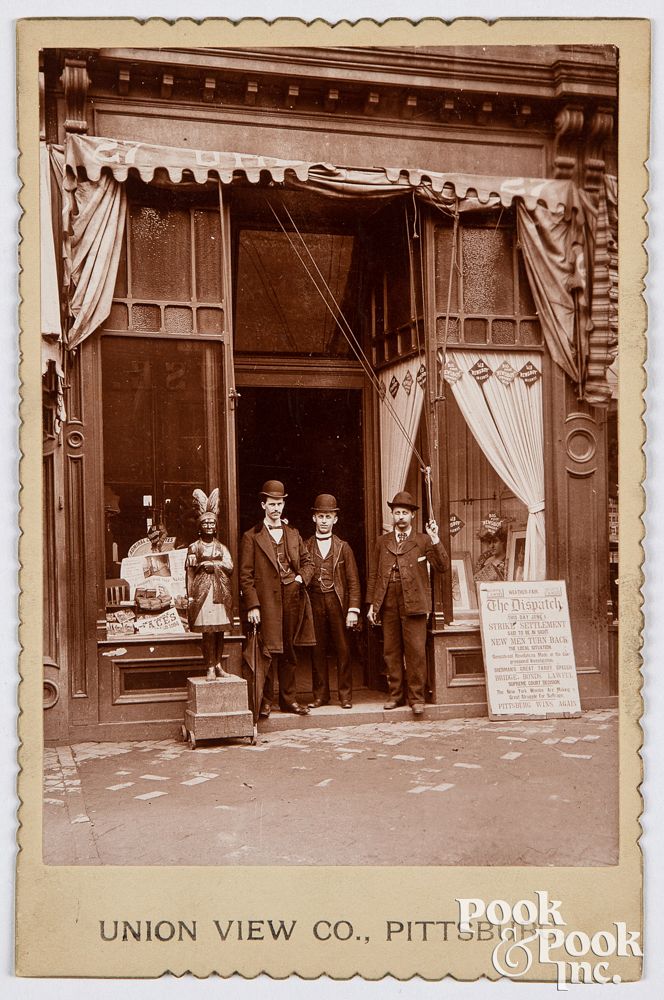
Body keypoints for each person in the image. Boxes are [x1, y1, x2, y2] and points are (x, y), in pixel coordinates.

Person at [366, 491, 449, 717]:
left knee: (415, 652)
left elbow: (442, 566)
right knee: (391, 651)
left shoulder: (423, 540)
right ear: (392, 515)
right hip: (389, 602)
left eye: (405, 513)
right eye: (397, 513)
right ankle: (395, 695)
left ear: (412, 516)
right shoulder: (382, 542)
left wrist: (435, 538)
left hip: (415, 602)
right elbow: (374, 574)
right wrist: (373, 604)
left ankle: (417, 698)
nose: (400, 517)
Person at [239, 480, 315, 716]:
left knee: (289, 650)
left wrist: (300, 579)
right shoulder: (252, 536)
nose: (276, 509)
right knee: (268, 651)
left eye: (279, 504)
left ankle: (288, 700)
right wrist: (253, 605)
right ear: (263, 505)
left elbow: (308, 562)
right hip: (267, 602)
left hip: (292, 597)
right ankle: (265, 701)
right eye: (272, 504)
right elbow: (245, 575)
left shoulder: (293, 534)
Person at [304, 494, 361, 710]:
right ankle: (321, 695)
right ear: (314, 518)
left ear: (335, 519)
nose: (324, 521)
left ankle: (345, 695)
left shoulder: (343, 547)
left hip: (338, 603)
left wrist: (353, 610)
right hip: (315, 601)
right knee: (317, 649)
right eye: (321, 516)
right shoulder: (306, 545)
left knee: (343, 649)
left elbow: (353, 581)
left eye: (328, 516)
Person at [186, 488, 234, 681]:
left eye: (211, 523)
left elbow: (229, 566)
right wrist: (189, 595)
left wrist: (213, 564)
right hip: (202, 592)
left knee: (219, 630)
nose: (208, 525)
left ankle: (219, 664)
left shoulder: (221, 547)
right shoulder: (194, 547)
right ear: (200, 525)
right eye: (205, 522)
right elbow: (189, 573)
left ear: (215, 526)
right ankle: (210, 666)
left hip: (219, 592)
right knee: (207, 632)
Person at [474, 516, 508, 582]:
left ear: (503, 541)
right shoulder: (483, 558)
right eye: (489, 542)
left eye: (495, 541)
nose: (491, 546)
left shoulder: (508, 560)